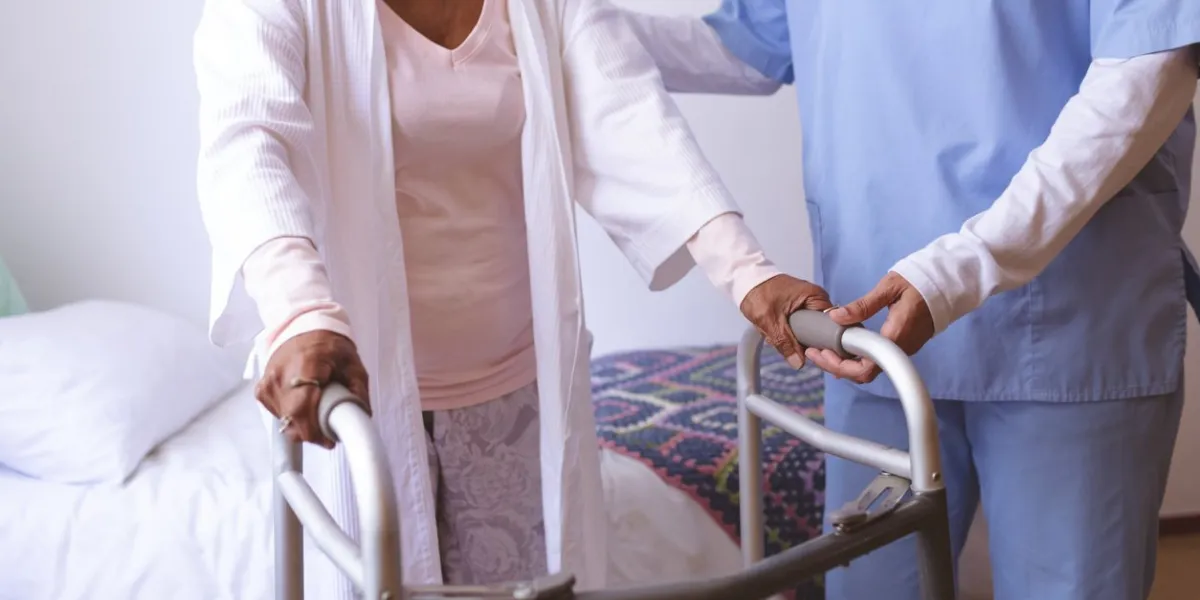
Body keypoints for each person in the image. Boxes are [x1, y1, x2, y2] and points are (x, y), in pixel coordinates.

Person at [192, 0, 825, 597]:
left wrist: (750, 274)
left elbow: (631, 118)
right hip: (357, 395)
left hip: (515, 387)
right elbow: (250, 143)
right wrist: (301, 311)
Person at [622, 2, 1200, 599]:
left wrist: (967, 265)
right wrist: (568, 23)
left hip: (1068, 317)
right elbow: (751, 44)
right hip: (870, 330)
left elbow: (1155, 58)